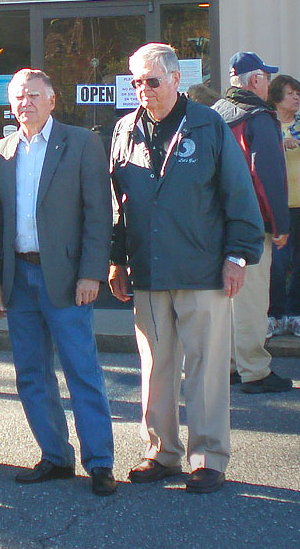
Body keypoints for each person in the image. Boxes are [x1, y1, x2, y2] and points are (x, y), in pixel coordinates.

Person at [109, 43, 264, 494]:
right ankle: (161, 452)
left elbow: (240, 196)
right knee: (155, 367)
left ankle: (208, 456)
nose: (143, 90)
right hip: (149, 272)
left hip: (202, 270)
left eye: (152, 81)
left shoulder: (208, 124)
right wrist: (117, 260)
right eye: (135, 82)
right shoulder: (124, 130)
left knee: (206, 368)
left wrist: (238, 256)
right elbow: (119, 204)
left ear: (176, 80)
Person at [0, 68, 117, 497]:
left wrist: (91, 273)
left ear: (52, 99)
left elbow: (99, 213)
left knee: (82, 370)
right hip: (18, 277)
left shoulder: (81, 143)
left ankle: (99, 462)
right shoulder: (0, 151)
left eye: (34, 95)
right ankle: (55, 457)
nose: (26, 103)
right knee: (31, 373)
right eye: (19, 97)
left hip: (65, 277)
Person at [212, 54, 293, 394]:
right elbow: (267, 176)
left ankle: (230, 365)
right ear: (256, 80)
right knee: (251, 299)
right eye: (265, 78)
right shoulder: (259, 117)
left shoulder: (214, 114)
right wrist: (280, 224)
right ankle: (255, 370)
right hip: (250, 223)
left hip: (215, 223)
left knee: (225, 301)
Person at [267, 74, 300, 337]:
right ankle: (274, 315)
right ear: (277, 96)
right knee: (277, 264)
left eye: (298, 94)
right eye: (291, 93)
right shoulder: (267, 123)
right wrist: (281, 144)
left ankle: (294, 315)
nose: (296, 98)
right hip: (278, 207)